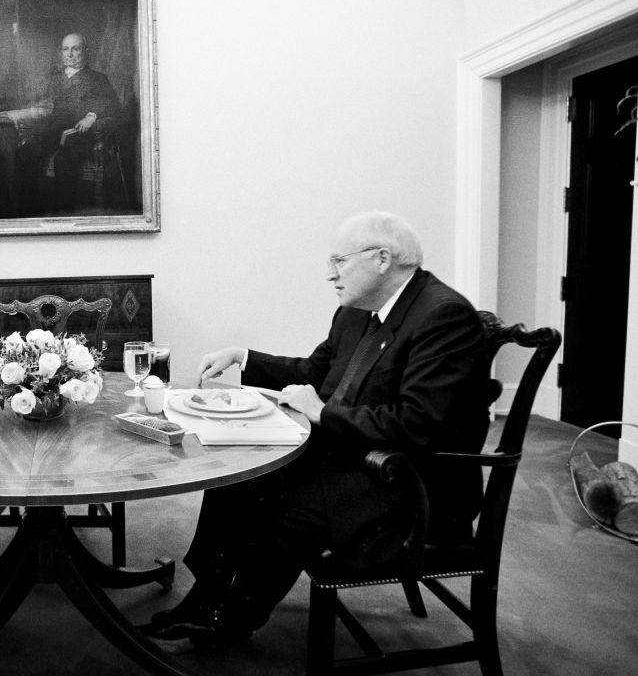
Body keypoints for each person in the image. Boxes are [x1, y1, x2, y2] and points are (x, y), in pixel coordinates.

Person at [143, 211, 491, 653]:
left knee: (284, 508)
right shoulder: (357, 312)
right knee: (237, 473)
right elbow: (313, 372)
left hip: (411, 486)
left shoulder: (443, 316)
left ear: (382, 259)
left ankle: (232, 619)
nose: (330, 274)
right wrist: (244, 356)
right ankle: (206, 596)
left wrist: (323, 413)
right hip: (353, 458)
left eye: (339, 261)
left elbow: (417, 424)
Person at [17, 32, 121, 214]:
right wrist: (1, 105)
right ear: (61, 52)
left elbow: (112, 105)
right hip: (53, 130)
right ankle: (30, 212)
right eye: (66, 49)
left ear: (85, 51)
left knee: (64, 161)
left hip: (80, 133)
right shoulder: (54, 78)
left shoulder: (97, 78)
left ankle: (63, 215)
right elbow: (34, 99)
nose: (70, 54)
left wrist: (92, 116)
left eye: (75, 49)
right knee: (25, 153)